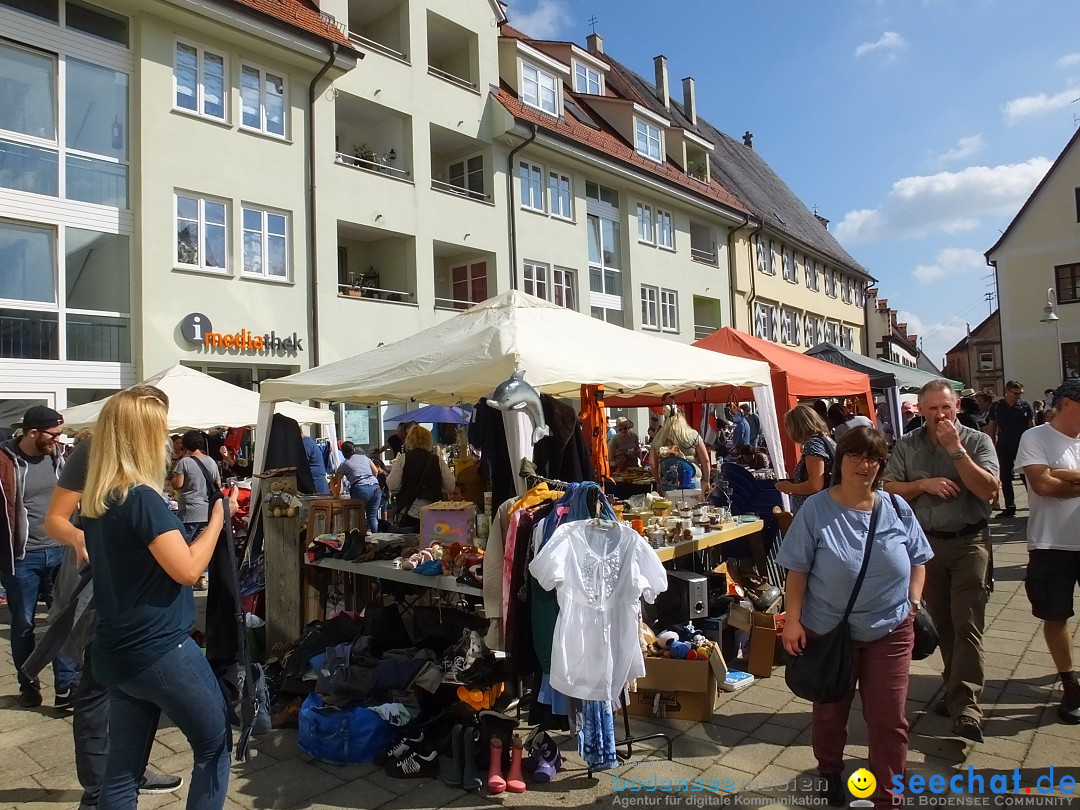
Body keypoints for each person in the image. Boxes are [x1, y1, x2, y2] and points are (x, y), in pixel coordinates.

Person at [80, 387, 230, 810]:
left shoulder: (99, 499)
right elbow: (187, 569)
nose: (168, 441)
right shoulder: (140, 499)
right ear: (144, 437)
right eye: (162, 432)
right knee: (215, 745)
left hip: (118, 650)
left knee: (122, 773)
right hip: (160, 648)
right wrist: (217, 521)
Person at [43, 391, 183, 809]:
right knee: (97, 686)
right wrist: (82, 537)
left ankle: (127, 772)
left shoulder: (147, 451)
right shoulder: (91, 450)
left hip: (133, 586)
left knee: (131, 681)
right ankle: (99, 786)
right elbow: (54, 519)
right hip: (97, 585)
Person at [779, 427, 932, 808]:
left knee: (888, 719)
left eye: (873, 458)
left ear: (881, 465)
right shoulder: (816, 509)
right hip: (829, 630)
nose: (864, 465)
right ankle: (830, 771)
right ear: (839, 461)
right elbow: (797, 572)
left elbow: (919, 559)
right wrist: (793, 621)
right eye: (855, 456)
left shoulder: (896, 506)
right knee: (831, 711)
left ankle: (888, 796)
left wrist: (912, 602)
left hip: (891, 629)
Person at [882, 379, 999, 743]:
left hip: (970, 543)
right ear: (920, 410)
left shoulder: (977, 441)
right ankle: (954, 690)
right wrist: (923, 485)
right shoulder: (908, 444)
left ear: (957, 407)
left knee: (967, 624)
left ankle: (966, 708)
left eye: (945, 407)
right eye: (932, 408)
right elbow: (886, 486)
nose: (940, 414)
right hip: (926, 548)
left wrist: (956, 450)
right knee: (945, 625)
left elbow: (989, 490)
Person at [0, 406, 78, 708]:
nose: (60, 439)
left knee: (63, 619)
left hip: (61, 551)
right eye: (54, 433)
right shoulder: (6, 462)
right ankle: (28, 683)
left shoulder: (58, 457)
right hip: (23, 556)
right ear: (33, 432)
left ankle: (66, 688)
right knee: (23, 625)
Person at [1015, 378, 1080, 724]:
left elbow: (1053, 479)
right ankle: (1069, 682)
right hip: (1051, 543)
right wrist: (1055, 476)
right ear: (1068, 404)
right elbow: (1041, 485)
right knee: (1056, 616)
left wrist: (1065, 475)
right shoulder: (1035, 437)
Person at [387, 425, 455, 531]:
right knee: (433, 544)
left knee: (410, 545)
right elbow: (450, 485)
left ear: (409, 440)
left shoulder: (404, 459)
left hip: (410, 511)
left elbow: (393, 485)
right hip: (434, 512)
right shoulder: (436, 460)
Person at [986, 380, 1035, 518]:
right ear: (1007, 392)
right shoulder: (997, 406)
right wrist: (991, 444)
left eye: (1020, 393)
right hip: (1004, 444)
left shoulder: (1025, 406)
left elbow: (1031, 426)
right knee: (1005, 477)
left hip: (1023, 445)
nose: (1018, 396)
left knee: (1026, 476)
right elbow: (992, 426)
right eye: (1015, 393)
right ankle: (1010, 507)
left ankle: (1034, 505)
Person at [776, 405, 835, 515]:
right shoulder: (827, 441)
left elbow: (815, 485)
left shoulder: (813, 445)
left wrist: (789, 487)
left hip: (815, 512)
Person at [649, 406, 712, 497]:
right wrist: (706, 481)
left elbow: (652, 464)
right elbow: (705, 460)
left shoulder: (658, 438)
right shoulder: (693, 434)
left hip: (668, 484)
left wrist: (658, 482)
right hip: (692, 482)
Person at [335, 442, 384, 533]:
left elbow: (337, 482)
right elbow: (376, 471)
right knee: (372, 517)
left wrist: (336, 495)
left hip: (360, 488)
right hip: (376, 488)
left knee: (358, 517)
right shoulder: (365, 458)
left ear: (342, 452)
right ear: (353, 450)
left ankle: (360, 541)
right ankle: (377, 540)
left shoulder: (344, 464)